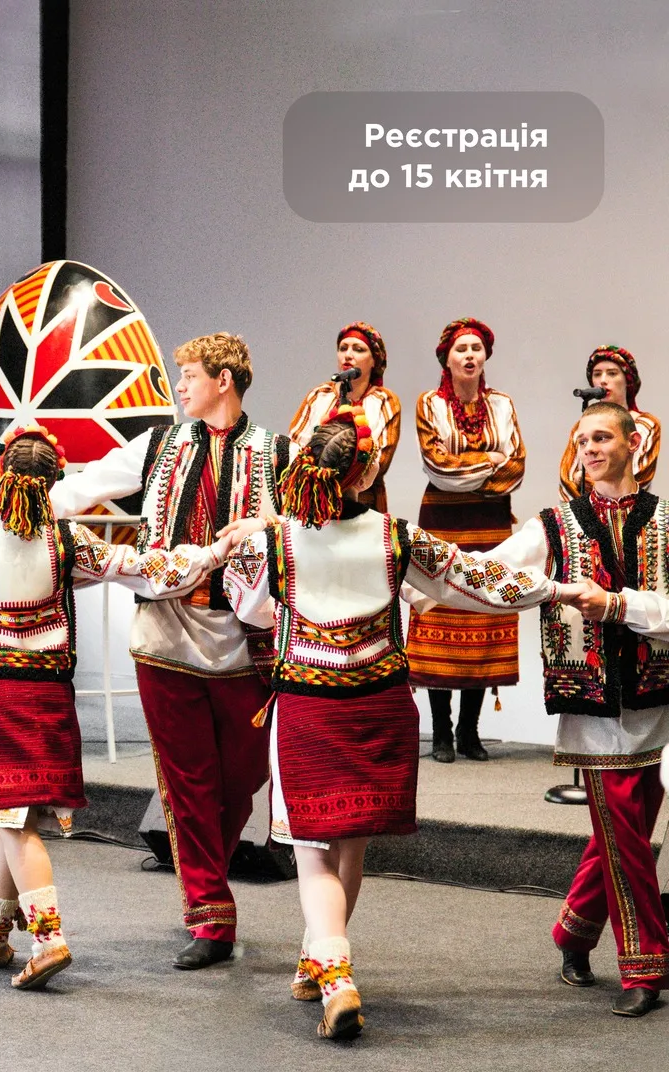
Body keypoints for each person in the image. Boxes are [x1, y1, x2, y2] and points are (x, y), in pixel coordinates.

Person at [220, 409, 572, 1039]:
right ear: (365, 474)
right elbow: (476, 582)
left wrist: (265, 554)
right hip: (381, 708)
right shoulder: (398, 537)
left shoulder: (272, 543)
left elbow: (248, 607)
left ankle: (337, 978)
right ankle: (318, 959)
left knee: (311, 854)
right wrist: (556, 590)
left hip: (308, 709)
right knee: (350, 847)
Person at [0, 424, 230, 990]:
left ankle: (49, 939)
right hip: (47, 695)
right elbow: (152, 573)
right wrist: (214, 551)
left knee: (9, 818)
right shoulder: (70, 541)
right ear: (54, 481)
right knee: (11, 817)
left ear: (0, 475)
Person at [48, 332, 287, 970]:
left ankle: (210, 879)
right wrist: (20, 509)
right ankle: (210, 911)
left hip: (245, 641)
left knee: (243, 777)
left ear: (223, 381)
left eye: (189, 375)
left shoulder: (277, 453)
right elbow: (83, 486)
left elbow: (311, 522)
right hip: (164, 633)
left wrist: (268, 525)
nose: (179, 386)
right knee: (189, 783)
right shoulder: (156, 446)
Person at [484, 402, 669, 1017]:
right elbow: (488, 574)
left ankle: (573, 929)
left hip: (651, 701)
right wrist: (407, 573)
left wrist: (617, 605)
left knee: (630, 827)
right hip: (589, 709)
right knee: (627, 836)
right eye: (582, 439)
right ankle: (646, 964)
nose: (589, 449)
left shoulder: (665, 521)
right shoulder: (554, 524)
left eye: (601, 437)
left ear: (633, 443)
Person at [408, 317, 525, 763]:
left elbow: (516, 467)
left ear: (485, 356)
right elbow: (438, 467)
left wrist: (475, 468)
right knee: (439, 611)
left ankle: (469, 731)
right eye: (462, 349)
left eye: (476, 348)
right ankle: (440, 731)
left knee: (482, 616)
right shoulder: (429, 404)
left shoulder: (503, 404)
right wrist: (489, 461)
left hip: (491, 524)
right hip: (442, 521)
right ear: (447, 358)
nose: (470, 355)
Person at [288, 321, 402, 512]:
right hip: (318, 499)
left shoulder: (385, 400)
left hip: (365, 501)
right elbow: (295, 447)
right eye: (343, 348)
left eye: (358, 349)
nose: (348, 355)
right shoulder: (319, 395)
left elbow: (380, 460)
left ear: (375, 360)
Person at [558, 345, 659, 502]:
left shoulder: (645, 425)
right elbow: (567, 477)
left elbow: (637, 477)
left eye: (612, 373)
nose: (603, 380)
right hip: (581, 510)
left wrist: (582, 478)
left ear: (627, 381)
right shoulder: (581, 427)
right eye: (597, 374)